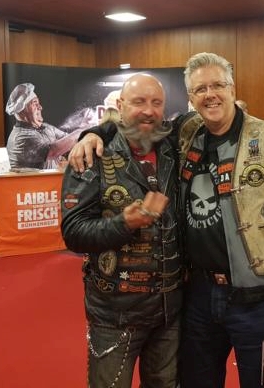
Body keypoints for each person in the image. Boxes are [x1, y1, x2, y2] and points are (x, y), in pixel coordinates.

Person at [69, 52, 264, 388]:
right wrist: (94, 133)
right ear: (191, 98)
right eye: (200, 89)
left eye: (217, 85)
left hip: (258, 298)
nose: (210, 94)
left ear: (232, 88)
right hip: (198, 297)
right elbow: (137, 124)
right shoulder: (184, 134)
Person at [60, 73, 183, 388]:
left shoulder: (172, 148)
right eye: (139, 102)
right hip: (115, 314)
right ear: (120, 105)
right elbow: (73, 232)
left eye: (156, 103)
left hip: (169, 310)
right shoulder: (92, 156)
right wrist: (124, 224)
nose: (148, 111)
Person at [5, 82, 91, 169]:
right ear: (23, 111)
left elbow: (69, 140)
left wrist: (84, 128)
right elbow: (53, 152)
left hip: (52, 178)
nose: (40, 107)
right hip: (33, 179)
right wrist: (82, 130)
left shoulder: (46, 127)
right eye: (35, 103)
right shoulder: (20, 137)